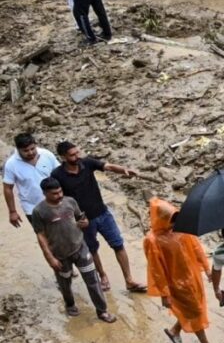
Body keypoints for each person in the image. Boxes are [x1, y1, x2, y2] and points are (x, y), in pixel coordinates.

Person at [51, 141, 147, 294]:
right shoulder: (57, 175)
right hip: (83, 220)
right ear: (63, 157)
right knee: (92, 250)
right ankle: (102, 276)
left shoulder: (87, 163)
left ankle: (129, 280)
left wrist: (123, 170)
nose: (77, 156)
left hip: (103, 213)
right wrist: (71, 219)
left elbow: (107, 166)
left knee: (118, 244)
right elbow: (59, 199)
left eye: (77, 152)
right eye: (72, 155)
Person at [144, 198, 224, 343]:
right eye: (171, 221)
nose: (174, 224)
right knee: (195, 312)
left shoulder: (182, 229)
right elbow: (156, 269)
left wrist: (207, 269)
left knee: (193, 308)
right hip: (176, 283)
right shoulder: (153, 241)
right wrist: (164, 293)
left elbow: (196, 248)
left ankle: (174, 331)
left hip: (192, 277)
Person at [32, 178, 117, 322]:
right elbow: (41, 236)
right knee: (65, 282)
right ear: (45, 193)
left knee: (92, 280)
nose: (59, 196)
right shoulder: (39, 211)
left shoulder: (70, 202)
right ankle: (70, 304)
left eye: (60, 192)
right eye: (54, 194)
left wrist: (85, 222)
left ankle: (102, 311)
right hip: (59, 254)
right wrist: (50, 258)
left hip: (80, 247)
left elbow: (80, 218)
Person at [4, 133, 60, 228]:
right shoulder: (11, 164)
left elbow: (60, 174)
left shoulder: (46, 155)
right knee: (44, 237)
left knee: (65, 234)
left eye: (32, 148)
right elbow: (8, 188)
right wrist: (12, 211)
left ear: (35, 145)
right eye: (25, 151)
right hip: (32, 208)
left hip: (57, 204)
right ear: (18, 150)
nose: (30, 153)